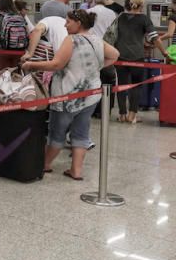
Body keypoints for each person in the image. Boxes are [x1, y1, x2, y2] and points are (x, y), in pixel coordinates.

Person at [22, 10, 118, 180]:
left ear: (78, 23)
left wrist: (32, 65)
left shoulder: (71, 40)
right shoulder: (96, 39)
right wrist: (95, 68)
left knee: (57, 132)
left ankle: (45, 164)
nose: (65, 25)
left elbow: (56, 64)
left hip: (67, 96)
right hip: (91, 95)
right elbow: (115, 55)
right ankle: (76, 171)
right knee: (81, 132)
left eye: (68, 22)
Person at [114, 0, 168, 123]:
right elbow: (155, 38)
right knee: (136, 86)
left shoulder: (120, 18)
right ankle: (132, 115)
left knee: (121, 85)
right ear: (142, 5)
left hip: (120, 56)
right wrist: (164, 52)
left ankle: (122, 115)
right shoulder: (144, 19)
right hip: (137, 57)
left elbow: (114, 35)